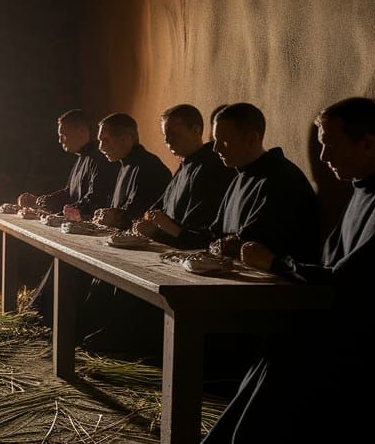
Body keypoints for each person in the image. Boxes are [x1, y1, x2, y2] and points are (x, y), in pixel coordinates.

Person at [201, 97, 375, 444]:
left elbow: (357, 282)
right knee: (279, 341)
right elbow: (336, 268)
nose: (322, 157)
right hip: (347, 318)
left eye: (330, 145)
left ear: (369, 144)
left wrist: (276, 262)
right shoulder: (362, 190)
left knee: (292, 349)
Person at [76, 112, 171, 357]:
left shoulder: (149, 167)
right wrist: (110, 215)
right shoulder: (126, 165)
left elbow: (148, 213)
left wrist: (118, 217)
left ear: (127, 138)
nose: (100, 146)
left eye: (105, 140)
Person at [175, 102, 321, 262]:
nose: (215, 149)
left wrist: (217, 246)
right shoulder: (239, 177)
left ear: (251, 139)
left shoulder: (280, 180)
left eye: (223, 142)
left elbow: (245, 244)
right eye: (215, 140)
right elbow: (214, 235)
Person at [25, 109, 118, 319]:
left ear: (82, 130)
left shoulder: (97, 159)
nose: (60, 140)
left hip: (90, 231)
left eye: (64, 134)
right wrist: (44, 199)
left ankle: (49, 312)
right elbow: (69, 191)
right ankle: (43, 310)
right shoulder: (81, 158)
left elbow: (96, 198)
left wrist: (67, 209)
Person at [133, 104, 236, 246]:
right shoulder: (185, 164)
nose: (167, 141)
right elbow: (158, 209)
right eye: (165, 135)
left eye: (173, 134)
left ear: (196, 130)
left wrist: (156, 232)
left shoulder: (210, 168)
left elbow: (196, 232)